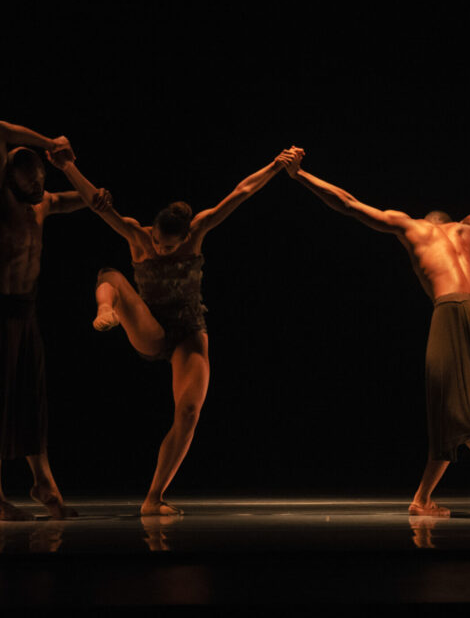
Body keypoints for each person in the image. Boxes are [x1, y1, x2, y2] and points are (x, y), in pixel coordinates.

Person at [283, 144, 470, 519]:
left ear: (427, 221)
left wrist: (300, 175)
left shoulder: (410, 226)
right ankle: (422, 499)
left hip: (449, 311)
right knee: (448, 403)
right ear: (448, 221)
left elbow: (348, 203)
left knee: (453, 400)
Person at [53, 147, 298, 515]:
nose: (160, 249)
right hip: (150, 329)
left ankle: (154, 499)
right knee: (111, 276)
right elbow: (99, 206)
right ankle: (107, 309)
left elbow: (240, 194)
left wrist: (275, 167)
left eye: (168, 246)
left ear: (184, 238)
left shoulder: (197, 232)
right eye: (158, 242)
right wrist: (68, 166)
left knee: (188, 412)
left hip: (188, 330)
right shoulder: (138, 236)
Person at [1, 121, 94, 521]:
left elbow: (91, 201)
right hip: (0, 311)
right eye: (31, 184)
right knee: (2, 400)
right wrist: (48, 142)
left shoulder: (44, 202)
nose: (38, 189)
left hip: (27, 309)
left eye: (41, 182)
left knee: (32, 397)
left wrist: (67, 165)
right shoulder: (1, 201)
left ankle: (43, 483)